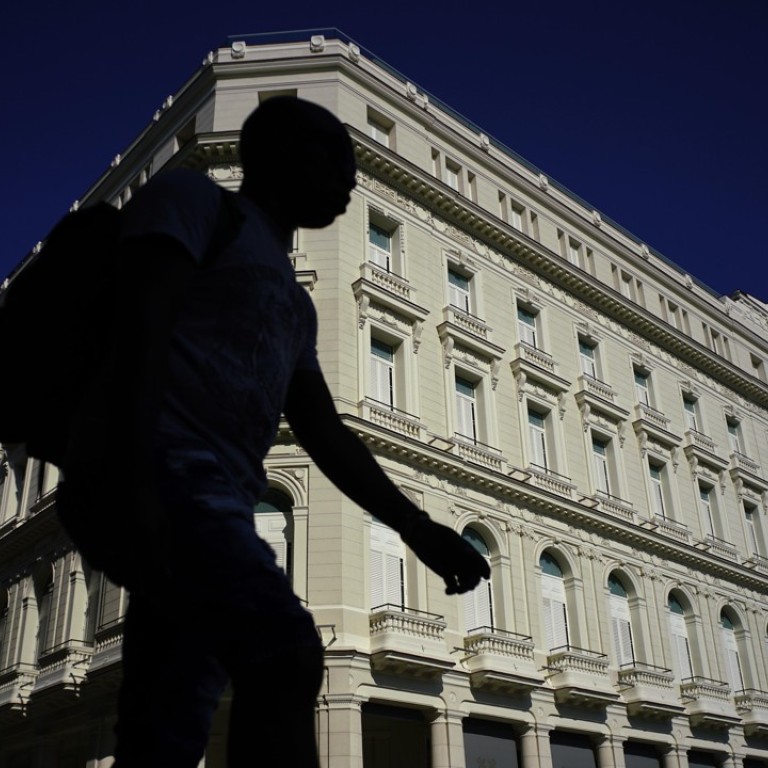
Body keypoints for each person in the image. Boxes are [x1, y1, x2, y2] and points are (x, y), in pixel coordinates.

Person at [62, 96, 490, 768]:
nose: (350, 175)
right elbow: (139, 327)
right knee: (285, 651)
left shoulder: (294, 303)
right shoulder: (195, 202)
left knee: (170, 714)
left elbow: (325, 432)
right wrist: (134, 474)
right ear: (276, 152)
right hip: (165, 474)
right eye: (334, 155)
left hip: (209, 498)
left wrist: (418, 528)